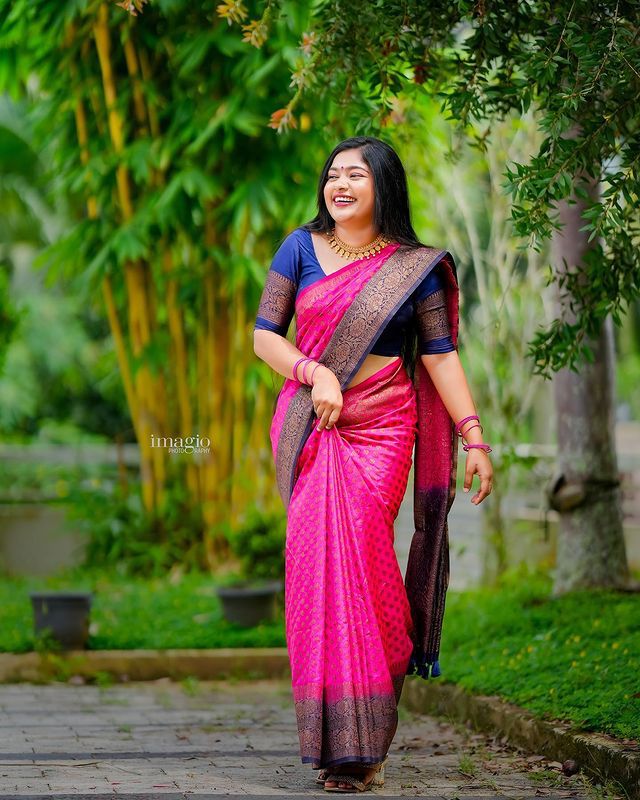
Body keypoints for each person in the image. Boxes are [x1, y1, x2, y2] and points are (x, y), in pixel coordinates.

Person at [253, 136, 493, 793]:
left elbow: (440, 355)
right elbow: (263, 336)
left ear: (382, 185)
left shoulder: (413, 268)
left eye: (354, 175)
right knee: (313, 573)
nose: (340, 185)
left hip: (384, 433)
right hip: (313, 427)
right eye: (333, 175)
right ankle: (337, 747)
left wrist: (474, 436)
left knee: (364, 568)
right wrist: (312, 374)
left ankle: (368, 739)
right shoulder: (298, 248)